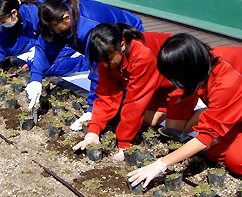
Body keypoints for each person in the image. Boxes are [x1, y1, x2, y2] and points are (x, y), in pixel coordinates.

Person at [128, 33, 242, 190]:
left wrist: (160, 164)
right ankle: (232, 120)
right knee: (215, 153)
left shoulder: (227, 79)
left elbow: (206, 137)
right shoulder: (201, 61)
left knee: (239, 162)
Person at [73, 24, 197, 161]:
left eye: (108, 60)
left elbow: (135, 102)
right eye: (101, 61)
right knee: (149, 121)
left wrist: (124, 143)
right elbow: (106, 96)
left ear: (122, 45)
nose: (106, 65)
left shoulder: (142, 55)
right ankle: (172, 110)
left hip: (180, 79)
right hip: (157, 84)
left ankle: (204, 115)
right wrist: (93, 132)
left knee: (174, 131)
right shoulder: (106, 60)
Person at [24, 0, 144, 131]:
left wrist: (93, 109)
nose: (55, 32)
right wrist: (36, 78)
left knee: (127, 82)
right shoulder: (58, 18)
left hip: (128, 33)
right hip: (101, 40)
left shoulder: (89, 28)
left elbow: (98, 70)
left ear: (66, 17)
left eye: (57, 29)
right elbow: (45, 48)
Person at [0, 0, 89, 86]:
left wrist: (37, 70)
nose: (3, 26)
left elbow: (48, 44)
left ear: (14, 13)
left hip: (61, 39)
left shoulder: (35, 15)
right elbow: (1, 45)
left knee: (46, 69)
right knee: (38, 67)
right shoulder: (12, 21)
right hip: (49, 39)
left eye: (3, 22)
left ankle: (85, 63)